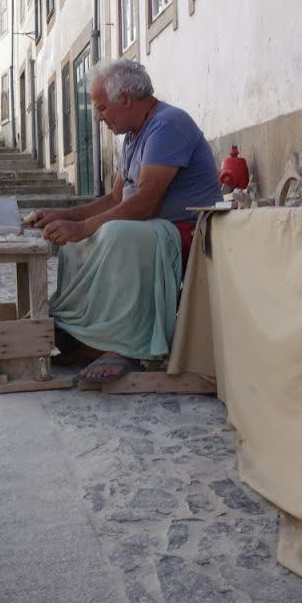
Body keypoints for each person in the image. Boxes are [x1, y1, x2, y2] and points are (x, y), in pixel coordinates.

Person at [31, 59, 221, 383]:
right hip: (155, 227)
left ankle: (125, 345)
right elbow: (116, 199)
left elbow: (145, 202)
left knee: (116, 234)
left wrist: (83, 226)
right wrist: (66, 217)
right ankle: (83, 336)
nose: (98, 116)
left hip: (190, 231)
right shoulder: (133, 136)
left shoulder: (168, 125)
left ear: (127, 99)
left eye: (102, 107)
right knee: (77, 246)